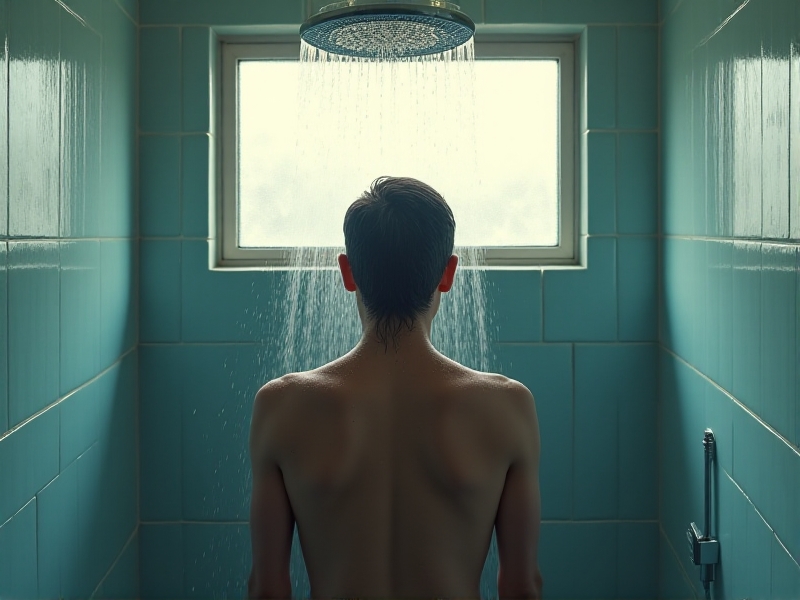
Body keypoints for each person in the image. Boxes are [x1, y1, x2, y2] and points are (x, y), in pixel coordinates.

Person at [248, 176, 542, 599]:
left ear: (347, 272)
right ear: (448, 273)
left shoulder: (281, 405)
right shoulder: (507, 406)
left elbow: (267, 589)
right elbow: (521, 586)